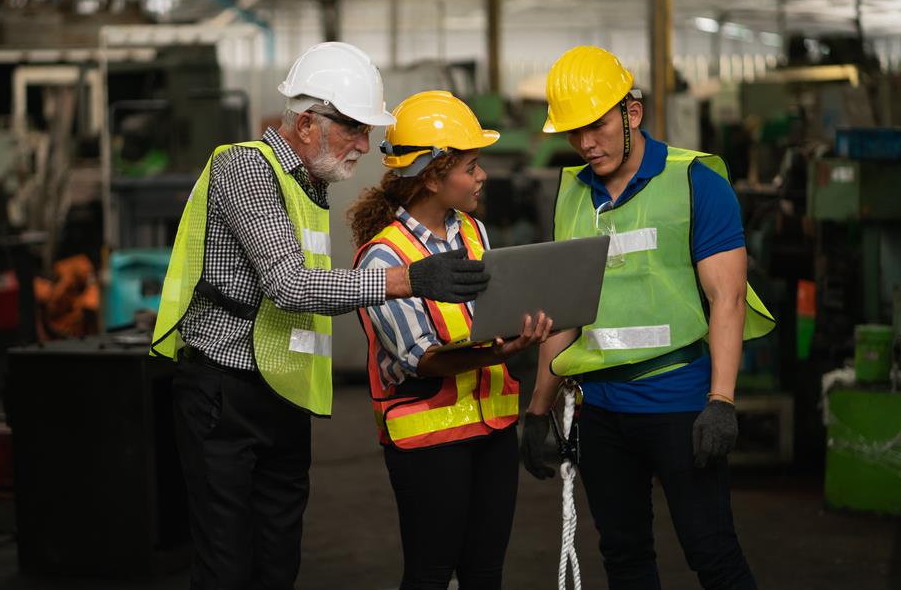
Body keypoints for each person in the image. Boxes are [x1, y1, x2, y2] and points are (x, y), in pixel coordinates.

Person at [150, 44, 491, 590]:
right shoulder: (245, 169)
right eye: (354, 129)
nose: (364, 145)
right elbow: (288, 284)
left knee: (278, 564)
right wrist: (411, 278)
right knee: (227, 566)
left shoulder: (309, 183)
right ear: (307, 123)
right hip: (224, 395)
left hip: (281, 393)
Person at [519, 46, 775, 590]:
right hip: (601, 413)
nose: (587, 144)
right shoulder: (573, 195)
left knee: (713, 555)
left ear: (632, 114)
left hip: (679, 403)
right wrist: (538, 408)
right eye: (574, 133)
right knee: (625, 557)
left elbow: (725, 298)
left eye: (598, 126)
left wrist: (722, 402)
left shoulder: (695, 180)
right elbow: (565, 312)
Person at [349, 90, 554, 590]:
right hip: (428, 444)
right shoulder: (384, 259)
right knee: (430, 575)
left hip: (492, 432)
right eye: (472, 165)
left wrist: (516, 329)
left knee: (485, 575)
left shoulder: (475, 234)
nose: (482, 176)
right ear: (434, 175)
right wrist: (495, 352)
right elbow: (419, 359)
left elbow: (487, 316)